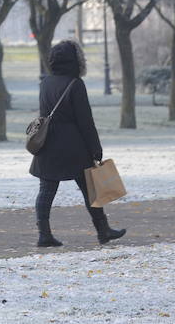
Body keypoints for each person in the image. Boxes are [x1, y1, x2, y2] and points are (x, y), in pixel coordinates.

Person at [29, 39, 126, 247]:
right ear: (75, 61)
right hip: (74, 147)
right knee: (91, 190)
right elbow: (85, 120)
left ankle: (44, 234)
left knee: (46, 191)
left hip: (48, 145)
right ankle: (103, 230)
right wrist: (95, 149)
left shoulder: (45, 82)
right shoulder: (75, 84)